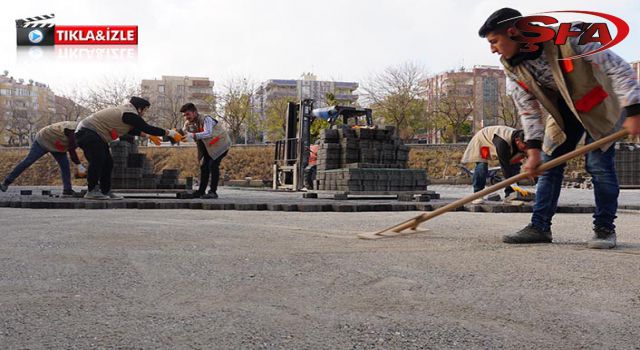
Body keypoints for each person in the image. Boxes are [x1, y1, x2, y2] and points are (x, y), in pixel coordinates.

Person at [479, 8, 640, 248]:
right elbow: (528, 109)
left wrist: (634, 111)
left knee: (598, 166)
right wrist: (532, 152)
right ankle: (539, 226)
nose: (492, 49)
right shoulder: (511, 65)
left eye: (494, 41)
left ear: (512, 32)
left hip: (599, 106)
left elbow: (619, 68)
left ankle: (604, 228)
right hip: (562, 114)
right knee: (547, 165)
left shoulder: (571, 38)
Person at [75, 97, 182, 200]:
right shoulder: (129, 113)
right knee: (98, 160)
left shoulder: (126, 113)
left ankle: (105, 191)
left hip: (94, 134)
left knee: (108, 163)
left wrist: (148, 136)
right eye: (144, 110)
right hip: (87, 132)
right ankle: (92, 190)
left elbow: (130, 130)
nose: (144, 113)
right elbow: (146, 127)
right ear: (139, 108)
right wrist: (170, 133)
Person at [1, 121, 85, 196]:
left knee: (65, 166)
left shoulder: (83, 132)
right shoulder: (74, 130)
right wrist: (78, 164)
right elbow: (71, 149)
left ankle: (67, 190)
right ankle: (6, 183)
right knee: (28, 161)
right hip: (43, 139)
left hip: (57, 143)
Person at [461, 126, 527, 203]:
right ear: (517, 141)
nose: (526, 148)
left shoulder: (522, 138)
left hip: (496, 141)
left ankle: (510, 194)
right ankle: (477, 194)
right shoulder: (502, 142)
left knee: (515, 165)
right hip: (483, 140)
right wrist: (514, 185)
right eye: (525, 146)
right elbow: (505, 166)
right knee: (482, 165)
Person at [180, 103, 231, 199]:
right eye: (184, 115)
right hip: (210, 147)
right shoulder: (188, 123)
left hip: (221, 144)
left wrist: (193, 135)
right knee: (204, 167)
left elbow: (208, 133)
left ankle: (213, 192)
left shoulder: (206, 119)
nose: (186, 117)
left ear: (194, 112)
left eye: (188, 114)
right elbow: (183, 132)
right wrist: (172, 134)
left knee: (213, 165)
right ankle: (201, 192)